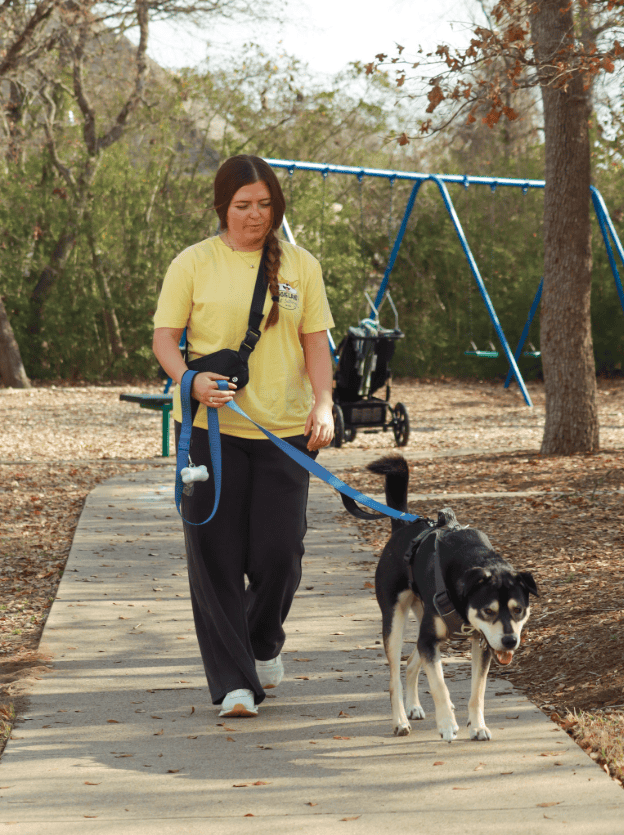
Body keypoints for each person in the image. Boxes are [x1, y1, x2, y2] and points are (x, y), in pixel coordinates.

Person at [152, 154, 335, 718]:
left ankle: (262, 641)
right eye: (243, 205)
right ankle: (234, 684)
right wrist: (189, 379)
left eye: (265, 204)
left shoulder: (300, 265)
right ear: (222, 208)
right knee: (216, 558)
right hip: (208, 431)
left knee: (281, 555)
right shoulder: (193, 262)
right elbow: (165, 339)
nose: (256, 215)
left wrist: (324, 403)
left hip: (284, 432)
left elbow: (316, 343)